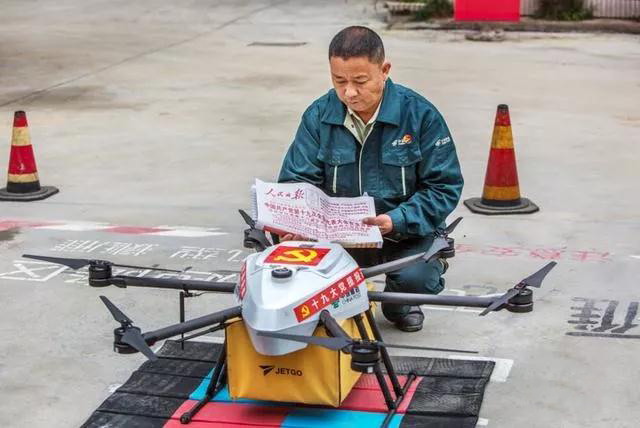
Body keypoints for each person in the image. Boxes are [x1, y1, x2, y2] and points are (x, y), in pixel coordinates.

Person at [278, 26, 463, 332]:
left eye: (360, 81)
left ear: (384, 70)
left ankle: (401, 301)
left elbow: (443, 187)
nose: (349, 92)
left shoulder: (420, 115)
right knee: (286, 268)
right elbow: (296, 182)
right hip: (338, 236)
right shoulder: (319, 115)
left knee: (416, 279)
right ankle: (343, 298)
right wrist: (298, 223)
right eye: (340, 82)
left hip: (403, 234)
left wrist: (398, 219)